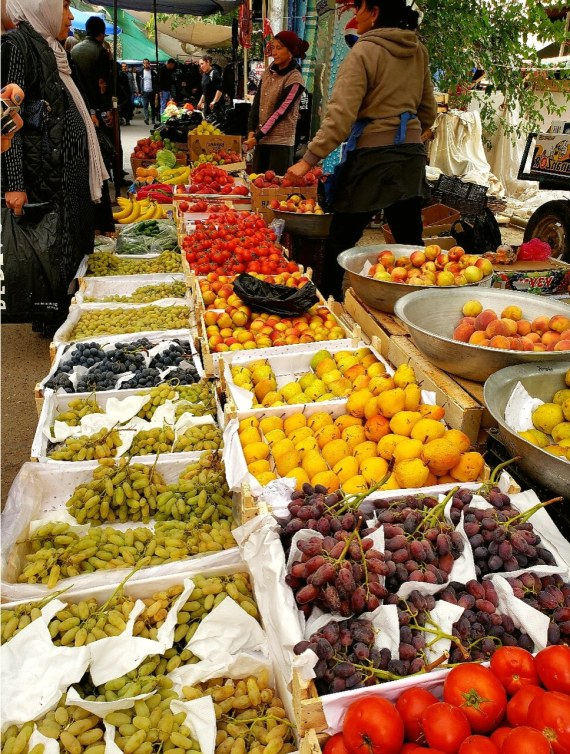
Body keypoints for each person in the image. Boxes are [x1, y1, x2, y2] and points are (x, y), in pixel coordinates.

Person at [286, 0, 436, 301]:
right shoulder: (417, 51)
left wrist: (307, 160)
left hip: (372, 159)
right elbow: (428, 111)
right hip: (410, 158)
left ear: (375, 12)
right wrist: (407, 133)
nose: (355, 15)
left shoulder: (364, 51)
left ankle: (327, 303)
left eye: (359, 8)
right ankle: (418, 307)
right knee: (410, 243)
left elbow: (340, 116)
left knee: (341, 238)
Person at [1, 0, 108, 334]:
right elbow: (6, 118)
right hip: (44, 175)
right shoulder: (18, 46)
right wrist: (14, 183)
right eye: (63, 6)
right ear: (41, 6)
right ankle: (52, 323)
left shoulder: (54, 50)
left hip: (63, 172)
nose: (70, 15)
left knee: (68, 249)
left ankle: (65, 314)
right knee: (50, 250)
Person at [244, 32, 308, 175]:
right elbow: (257, 103)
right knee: (256, 182)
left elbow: (280, 112)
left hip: (280, 144)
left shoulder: (295, 79)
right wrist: (251, 130)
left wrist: (257, 137)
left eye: (279, 48)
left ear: (290, 52)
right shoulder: (268, 72)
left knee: (276, 185)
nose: (274, 52)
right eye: (273, 47)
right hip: (261, 140)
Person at [70, 15, 112, 117]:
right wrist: (107, 109)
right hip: (96, 106)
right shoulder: (101, 51)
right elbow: (102, 83)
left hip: (77, 101)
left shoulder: (73, 49)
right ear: (101, 34)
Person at [139, 57, 158, 125]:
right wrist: (139, 91)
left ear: (149, 64)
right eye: (144, 63)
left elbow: (156, 82)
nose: (146, 64)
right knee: (145, 106)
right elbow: (139, 82)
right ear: (143, 64)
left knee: (153, 106)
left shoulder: (153, 72)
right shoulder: (141, 72)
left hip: (152, 91)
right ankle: (146, 118)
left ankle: (153, 119)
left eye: (147, 63)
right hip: (144, 92)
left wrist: (156, 91)